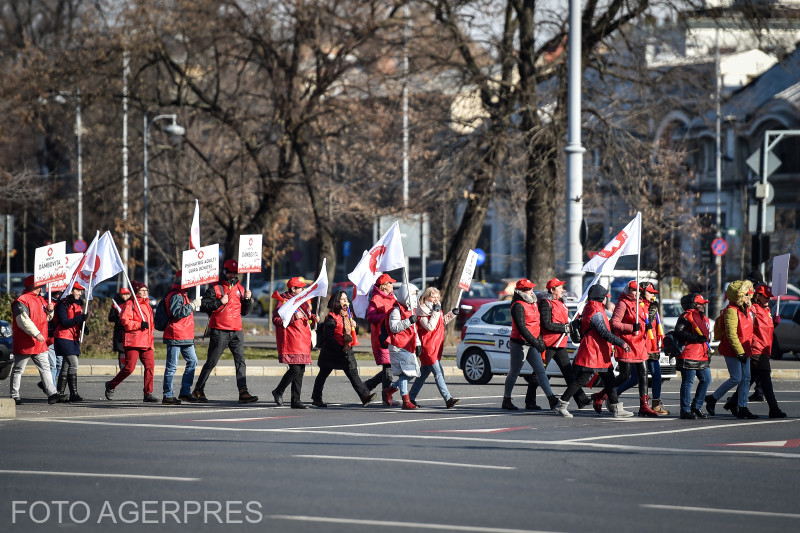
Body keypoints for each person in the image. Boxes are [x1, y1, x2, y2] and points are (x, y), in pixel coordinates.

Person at [555, 284, 633, 418]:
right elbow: (603, 332)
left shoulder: (591, 308)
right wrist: (621, 343)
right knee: (580, 380)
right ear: (600, 298)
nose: (606, 300)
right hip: (593, 351)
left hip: (598, 351)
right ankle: (561, 405)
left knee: (609, 380)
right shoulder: (595, 311)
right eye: (605, 297)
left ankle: (616, 408)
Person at [192, 260, 258, 404]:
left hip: (236, 330)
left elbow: (245, 312)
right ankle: (198, 389)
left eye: (235, 272)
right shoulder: (215, 288)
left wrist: (247, 300)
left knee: (241, 361)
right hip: (220, 330)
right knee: (211, 362)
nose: (232, 275)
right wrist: (220, 302)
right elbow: (204, 306)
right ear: (224, 272)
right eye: (230, 272)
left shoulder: (241, 289)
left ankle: (243, 392)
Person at [722, 283, 786, 418]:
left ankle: (732, 402)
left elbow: (766, 330)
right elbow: (749, 328)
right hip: (757, 349)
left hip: (764, 349)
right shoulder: (754, 309)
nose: (768, 298)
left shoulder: (766, 310)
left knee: (749, 379)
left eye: (769, 296)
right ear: (757, 296)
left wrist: (775, 323)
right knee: (765, 381)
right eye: (765, 296)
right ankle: (773, 408)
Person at [310, 290, 376, 407]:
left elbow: (353, 332)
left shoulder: (348, 315)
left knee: (353, 373)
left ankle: (364, 396)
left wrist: (355, 327)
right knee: (323, 374)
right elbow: (328, 336)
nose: (346, 300)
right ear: (337, 301)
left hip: (346, 349)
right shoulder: (331, 317)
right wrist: (338, 347)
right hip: (332, 351)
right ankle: (316, 398)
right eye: (342, 299)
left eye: (346, 298)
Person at [502, 279, 558, 412]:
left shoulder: (533, 303)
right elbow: (522, 328)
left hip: (532, 343)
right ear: (521, 291)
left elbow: (536, 324)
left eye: (531, 289)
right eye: (528, 289)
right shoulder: (518, 305)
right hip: (519, 343)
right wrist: (536, 342)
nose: (532, 291)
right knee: (514, 372)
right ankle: (506, 399)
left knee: (540, 371)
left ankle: (551, 399)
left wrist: (538, 340)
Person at [705, 280, 757, 419]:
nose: (749, 296)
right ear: (738, 296)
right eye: (746, 294)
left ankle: (743, 407)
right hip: (732, 349)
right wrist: (739, 351)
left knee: (746, 379)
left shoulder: (748, 309)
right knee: (736, 378)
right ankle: (713, 398)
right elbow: (731, 334)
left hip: (745, 349)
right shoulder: (731, 311)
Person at [537, 277, 592, 410]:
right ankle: (530, 400)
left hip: (560, 343)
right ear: (552, 289)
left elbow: (563, 321)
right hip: (549, 343)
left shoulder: (561, 302)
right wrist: (564, 328)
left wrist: (570, 325)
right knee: (539, 373)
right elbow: (546, 324)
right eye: (560, 287)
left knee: (569, 373)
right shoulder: (545, 303)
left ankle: (581, 400)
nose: (563, 289)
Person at [609, 281, 659, 417]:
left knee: (644, 374)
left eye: (638, 291)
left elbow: (644, 320)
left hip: (640, 344)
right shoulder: (622, 303)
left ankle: (644, 405)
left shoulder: (640, 303)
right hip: (628, 344)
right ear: (628, 290)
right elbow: (614, 323)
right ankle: (603, 395)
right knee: (625, 375)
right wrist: (631, 328)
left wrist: (645, 326)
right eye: (633, 290)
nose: (636, 293)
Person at [9, 275, 61, 405]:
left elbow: (47, 318)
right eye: (40, 285)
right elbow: (22, 321)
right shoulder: (21, 300)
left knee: (45, 368)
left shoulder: (41, 300)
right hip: (26, 342)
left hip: (38, 342)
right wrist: (37, 333)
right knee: (18, 369)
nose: (42, 287)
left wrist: (51, 311)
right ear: (34, 286)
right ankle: (14, 395)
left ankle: (52, 394)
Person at [105, 281, 158, 402]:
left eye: (146, 290)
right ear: (136, 292)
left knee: (150, 367)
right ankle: (111, 384)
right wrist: (139, 324)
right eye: (142, 291)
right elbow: (125, 321)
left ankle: (148, 393)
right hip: (134, 341)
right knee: (129, 368)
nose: (145, 293)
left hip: (147, 342)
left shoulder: (148, 305)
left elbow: (151, 325)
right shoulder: (130, 304)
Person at [408, 287, 460, 408]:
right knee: (439, 373)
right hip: (428, 347)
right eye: (433, 297)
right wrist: (437, 312)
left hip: (436, 345)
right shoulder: (421, 312)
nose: (436, 300)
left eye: (437, 297)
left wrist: (452, 314)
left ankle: (410, 397)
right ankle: (448, 399)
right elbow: (430, 326)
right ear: (426, 297)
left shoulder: (435, 309)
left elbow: (440, 322)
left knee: (423, 374)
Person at [271, 276, 316, 409]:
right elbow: (276, 320)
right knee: (295, 369)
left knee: (300, 370)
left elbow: (307, 316)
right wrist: (292, 318)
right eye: (300, 287)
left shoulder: (303, 301)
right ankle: (278, 391)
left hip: (303, 339)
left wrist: (313, 318)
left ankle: (295, 400)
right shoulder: (283, 301)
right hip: (291, 340)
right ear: (293, 288)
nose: (303, 289)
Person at [161, 270, 200, 405]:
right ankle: (168, 395)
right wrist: (193, 305)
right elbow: (177, 313)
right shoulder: (176, 295)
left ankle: (184, 391)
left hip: (185, 335)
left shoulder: (182, 294)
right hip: (176, 335)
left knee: (193, 361)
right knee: (172, 367)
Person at [674, 293, 712, 419]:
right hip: (689, 354)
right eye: (701, 304)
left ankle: (696, 406)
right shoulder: (686, 316)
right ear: (693, 304)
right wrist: (696, 338)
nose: (703, 306)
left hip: (702, 355)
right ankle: (684, 410)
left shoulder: (704, 318)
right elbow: (679, 332)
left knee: (706, 379)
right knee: (688, 383)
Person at [364, 273, 398, 406]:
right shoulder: (376, 299)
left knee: (389, 367)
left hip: (392, 337)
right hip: (381, 337)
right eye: (390, 283)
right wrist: (387, 316)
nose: (392, 285)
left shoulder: (392, 298)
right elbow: (371, 317)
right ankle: (386, 398)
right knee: (388, 366)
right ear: (384, 286)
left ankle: (368, 385)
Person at [386, 282, 421, 410]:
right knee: (404, 373)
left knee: (412, 373)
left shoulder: (411, 310)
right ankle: (405, 400)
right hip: (397, 345)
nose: (414, 298)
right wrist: (408, 321)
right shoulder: (396, 310)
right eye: (412, 294)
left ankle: (390, 390)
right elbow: (394, 327)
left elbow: (414, 330)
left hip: (408, 344)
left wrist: (418, 343)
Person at [53, 282, 88, 402]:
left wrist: (85, 326)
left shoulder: (78, 304)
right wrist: (79, 319)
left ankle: (60, 393)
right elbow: (64, 322)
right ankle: (74, 394)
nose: (80, 293)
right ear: (71, 290)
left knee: (66, 365)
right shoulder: (63, 304)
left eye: (81, 291)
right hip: (63, 337)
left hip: (73, 338)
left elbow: (78, 321)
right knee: (73, 363)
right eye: (78, 290)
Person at [108, 287, 132, 370]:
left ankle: (128, 367)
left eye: (127, 294)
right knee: (121, 350)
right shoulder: (116, 305)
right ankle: (122, 367)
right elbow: (110, 318)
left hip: (130, 330)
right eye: (123, 294)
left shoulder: (132, 304)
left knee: (130, 350)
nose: (125, 296)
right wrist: (118, 316)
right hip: (119, 330)